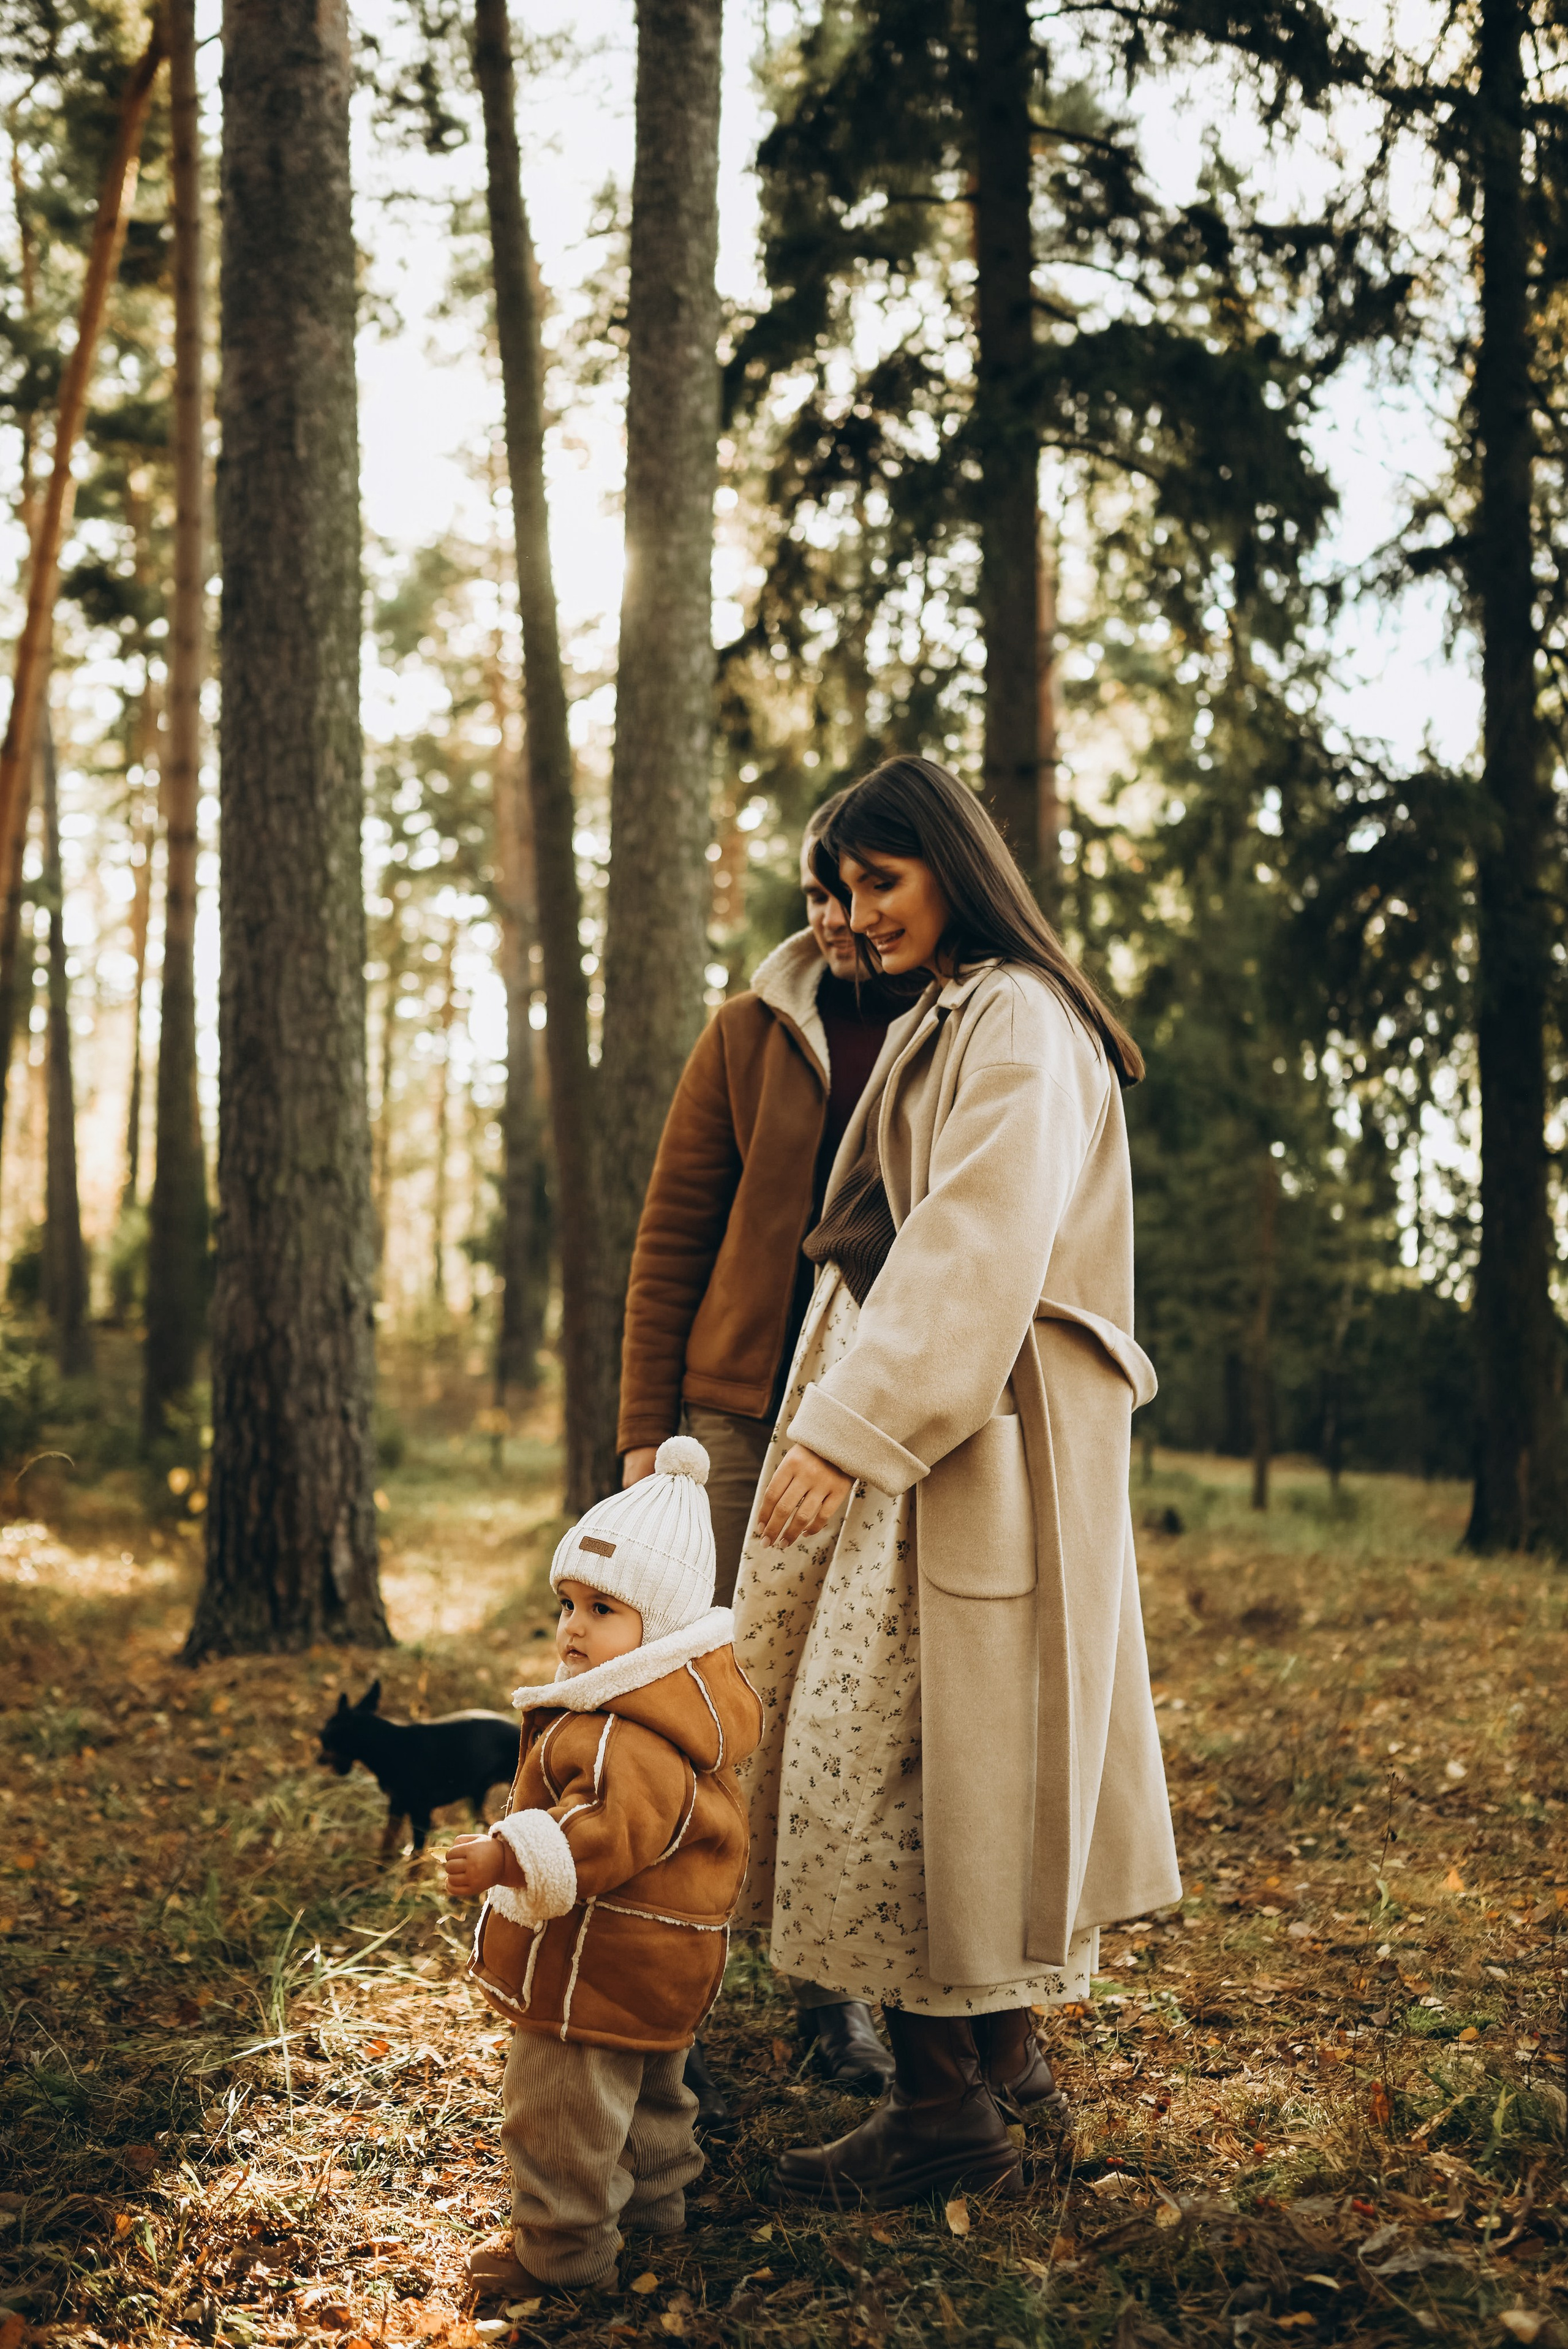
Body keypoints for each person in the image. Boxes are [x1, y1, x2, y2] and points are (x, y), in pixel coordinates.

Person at [732, 755, 1182, 2209]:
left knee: (915, 1752)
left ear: (953, 868)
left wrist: (847, 1429)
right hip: (929, 1415)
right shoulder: (948, 1009)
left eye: (883, 879)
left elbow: (973, 1239)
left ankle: (941, 2111)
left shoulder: (1018, 1020)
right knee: (916, 1738)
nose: (859, 912)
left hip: (969, 1429)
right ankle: (1006, 2062)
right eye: (841, 887)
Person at [617, 794, 917, 2098]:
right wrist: (646, 1438)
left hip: (882, 1416)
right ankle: (672, 1942)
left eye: (857, 891)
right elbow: (670, 1236)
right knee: (724, 1694)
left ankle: (833, 1989)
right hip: (742, 1412)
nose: (837, 919)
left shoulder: (949, 1021)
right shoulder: (747, 1032)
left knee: (843, 1711)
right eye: (816, 895)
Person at [445, 1437, 763, 2302]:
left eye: (602, 1609)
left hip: (593, 1970)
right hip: (659, 1964)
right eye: (568, 1603)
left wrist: (506, 1852)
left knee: (559, 2116)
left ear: (656, 1628)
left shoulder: (630, 1732)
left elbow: (600, 1832)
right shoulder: (680, 1713)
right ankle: (659, 2212)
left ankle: (563, 2258)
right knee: (654, 2098)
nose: (573, 1627)